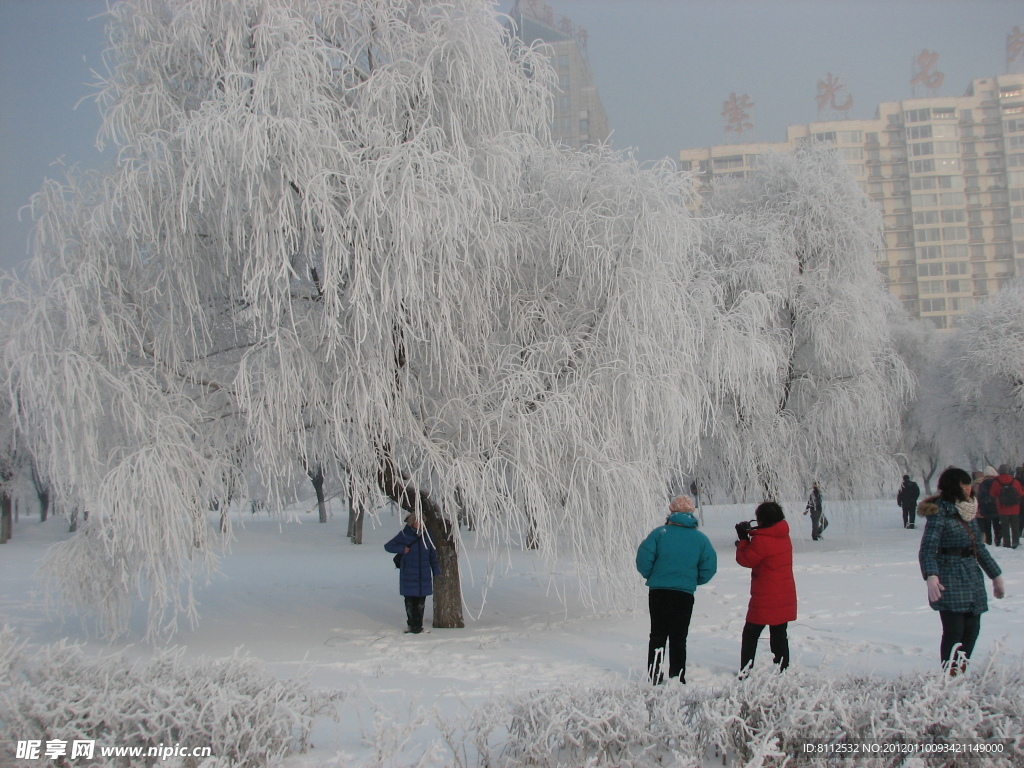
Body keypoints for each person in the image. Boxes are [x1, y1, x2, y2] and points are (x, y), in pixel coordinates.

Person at [918, 467, 1004, 673]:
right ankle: (950, 674)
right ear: (952, 487)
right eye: (963, 484)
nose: (968, 488)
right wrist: (931, 576)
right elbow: (928, 549)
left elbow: (979, 548)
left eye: (968, 484)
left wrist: (996, 575)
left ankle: (961, 671)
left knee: (972, 630)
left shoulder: (968, 510)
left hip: (972, 576)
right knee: (954, 631)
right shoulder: (940, 512)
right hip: (949, 576)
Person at [635, 495, 718, 684]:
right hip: (684, 592)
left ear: (671, 512)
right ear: (691, 513)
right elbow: (709, 567)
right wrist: (694, 580)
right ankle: (677, 676)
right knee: (679, 636)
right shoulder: (700, 539)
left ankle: (654, 676)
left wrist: (653, 575)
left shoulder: (659, 533)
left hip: (659, 591)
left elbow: (643, 559)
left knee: (657, 634)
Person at [735, 501, 797, 675]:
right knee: (779, 634)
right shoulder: (783, 535)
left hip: (766, 595)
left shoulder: (762, 540)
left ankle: (745, 671)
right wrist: (749, 535)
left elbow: (746, 560)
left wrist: (743, 540)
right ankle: (782, 669)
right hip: (784, 593)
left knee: (750, 634)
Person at [384, 513, 440, 634]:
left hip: (423, 574)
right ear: (412, 523)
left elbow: (432, 554)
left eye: (422, 521)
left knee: (421, 601)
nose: (421, 524)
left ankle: (418, 626)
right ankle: (411, 625)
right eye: (418, 521)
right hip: (408, 573)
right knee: (410, 601)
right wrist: (402, 549)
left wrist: (436, 570)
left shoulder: (427, 535)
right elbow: (388, 546)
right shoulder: (404, 535)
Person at [990, 464, 1022, 549]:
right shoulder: (1015, 482)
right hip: (1015, 508)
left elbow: (992, 494)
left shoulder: (996, 482)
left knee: (1005, 527)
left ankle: (1006, 543)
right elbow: (1020, 494)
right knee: (1015, 526)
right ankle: (1015, 542)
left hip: (1002, 508)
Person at [975, 466, 999, 545]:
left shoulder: (983, 484)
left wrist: (979, 507)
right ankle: (997, 540)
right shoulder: (997, 482)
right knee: (996, 524)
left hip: (985, 507)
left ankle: (989, 541)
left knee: (987, 526)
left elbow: (980, 496)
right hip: (996, 506)